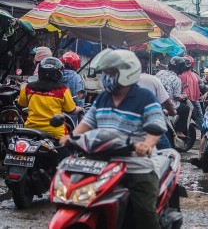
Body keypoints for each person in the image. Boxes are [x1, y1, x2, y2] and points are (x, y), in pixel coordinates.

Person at [59, 49, 166, 229]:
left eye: (110, 72)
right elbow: (88, 122)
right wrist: (72, 136)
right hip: (101, 162)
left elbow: (156, 125)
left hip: (135, 164)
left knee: (143, 211)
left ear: (127, 73)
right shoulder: (103, 97)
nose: (105, 76)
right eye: (105, 72)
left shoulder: (144, 97)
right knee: (78, 199)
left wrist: (146, 144)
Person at [18, 57, 83, 158]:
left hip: (31, 129)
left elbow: (22, 103)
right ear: (59, 73)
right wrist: (80, 109)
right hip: (55, 133)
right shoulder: (62, 90)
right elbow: (71, 110)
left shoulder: (28, 87)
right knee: (67, 159)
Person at [135, 50, 175, 149]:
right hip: (150, 124)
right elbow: (167, 103)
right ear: (147, 64)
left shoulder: (123, 81)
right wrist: (172, 112)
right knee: (168, 152)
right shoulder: (153, 80)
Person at [156, 56, 190, 139]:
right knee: (185, 109)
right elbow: (177, 97)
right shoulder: (176, 79)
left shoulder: (160, 73)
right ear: (181, 68)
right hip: (168, 104)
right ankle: (179, 131)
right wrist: (184, 96)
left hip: (155, 101)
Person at [179, 55, 203, 131]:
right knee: (198, 114)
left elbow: (201, 83)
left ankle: (201, 130)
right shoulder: (182, 75)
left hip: (192, 98)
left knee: (199, 114)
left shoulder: (192, 74)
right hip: (185, 99)